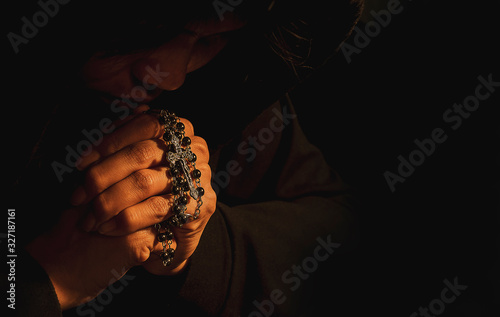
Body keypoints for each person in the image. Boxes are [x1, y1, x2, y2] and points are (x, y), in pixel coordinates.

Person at [6, 0, 363, 315]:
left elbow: (341, 231)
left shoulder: (225, 79)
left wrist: (186, 243)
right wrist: (42, 285)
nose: (172, 76)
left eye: (209, 39)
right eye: (147, 31)